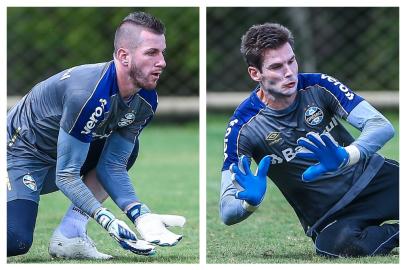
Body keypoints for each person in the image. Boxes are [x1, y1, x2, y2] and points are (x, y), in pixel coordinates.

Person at [7, 11, 186, 259]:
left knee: (126, 151)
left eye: (162, 52)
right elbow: (67, 176)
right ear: (124, 56)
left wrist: (140, 214)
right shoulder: (87, 94)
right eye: (151, 53)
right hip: (17, 155)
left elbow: (112, 166)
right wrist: (109, 221)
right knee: (15, 241)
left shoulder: (146, 99)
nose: (162, 62)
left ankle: (70, 235)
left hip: (55, 157)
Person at [220, 23, 399, 258]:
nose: (289, 72)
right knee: (337, 247)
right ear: (255, 73)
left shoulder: (319, 85)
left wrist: (347, 156)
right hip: (330, 215)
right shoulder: (243, 128)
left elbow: (380, 125)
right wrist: (248, 203)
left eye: (291, 61)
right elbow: (226, 210)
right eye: (276, 66)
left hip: (374, 180)